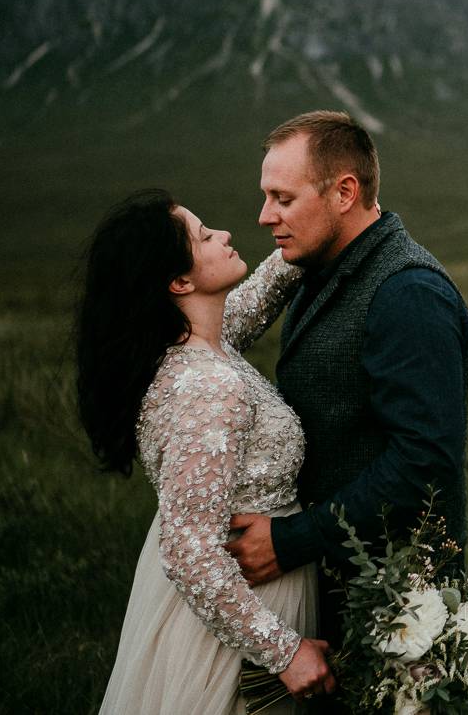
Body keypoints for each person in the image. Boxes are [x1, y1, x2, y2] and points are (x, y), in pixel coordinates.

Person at [224, 111, 468, 684]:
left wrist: (289, 541)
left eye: (282, 198)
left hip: (397, 605)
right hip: (335, 594)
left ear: (344, 193)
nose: (265, 216)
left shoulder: (408, 294)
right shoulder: (321, 268)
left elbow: (423, 463)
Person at [77, 189, 337, 713]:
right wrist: (284, 653)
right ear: (179, 282)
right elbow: (189, 550)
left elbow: (260, 294)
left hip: (249, 590)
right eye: (203, 235)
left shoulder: (200, 343)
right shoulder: (207, 387)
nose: (224, 234)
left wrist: (322, 218)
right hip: (237, 616)